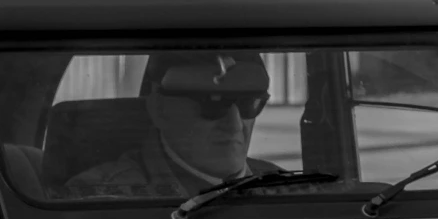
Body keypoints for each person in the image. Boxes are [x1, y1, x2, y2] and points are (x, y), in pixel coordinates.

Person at [54, 51, 280, 198]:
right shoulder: (99, 197)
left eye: (249, 104)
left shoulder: (286, 186)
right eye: (212, 104)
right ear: (159, 109)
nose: (234, 125)